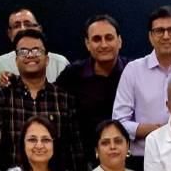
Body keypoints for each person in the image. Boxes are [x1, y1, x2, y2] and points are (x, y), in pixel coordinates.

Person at [0, 29, 86, 171]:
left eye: (36, 50)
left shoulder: (63, 99)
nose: (30, 55)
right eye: (23, 51)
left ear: (47, 59)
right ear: (16, 60)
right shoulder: (0, 98)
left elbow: (75, 152)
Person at [112, 5, 171, 171]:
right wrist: (157, 131)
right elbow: (119, 122)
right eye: (159, 31)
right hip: (143, 160)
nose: (166, 36)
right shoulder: (133, 70)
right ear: (150, 36)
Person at [55, 15, 129, 161]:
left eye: (109, 38)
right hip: (86, 159)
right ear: (87, 44)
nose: (104, 45)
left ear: (119, 41)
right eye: (97, 39)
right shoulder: (72, 74)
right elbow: (48, 97)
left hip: (130, 156)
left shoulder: (133, 70)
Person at [0, 7, 70, 105]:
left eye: (28, 24)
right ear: (9, 33)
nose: (23, 29)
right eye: (16, 26)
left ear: (39, 29)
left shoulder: (60, 63)